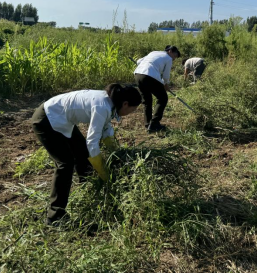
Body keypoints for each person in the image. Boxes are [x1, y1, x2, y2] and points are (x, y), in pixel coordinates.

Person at [31, 84, 142, 226]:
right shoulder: (102, 106)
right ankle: (55, 216)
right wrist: (104, 173)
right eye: (132, 110)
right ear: (125, 104)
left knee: (82, 154)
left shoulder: (110, 103)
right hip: (46, 119)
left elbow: (106, 131)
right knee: (66, 163)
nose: (131, 113)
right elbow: (92, 143)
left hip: (62, 119)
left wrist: (118, 155)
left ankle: (89, 194)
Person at [134, 45, 180, 132]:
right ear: (170, 51)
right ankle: (155, 123)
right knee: (163, 98)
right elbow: (166, 75)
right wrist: (166, 84)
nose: (174, 59)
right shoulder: (168, 58)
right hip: (149, 76)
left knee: (147, 100)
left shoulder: (154, 52)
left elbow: (138, 61)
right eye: (174, 56)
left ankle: (148, 124)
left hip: (138, 75)